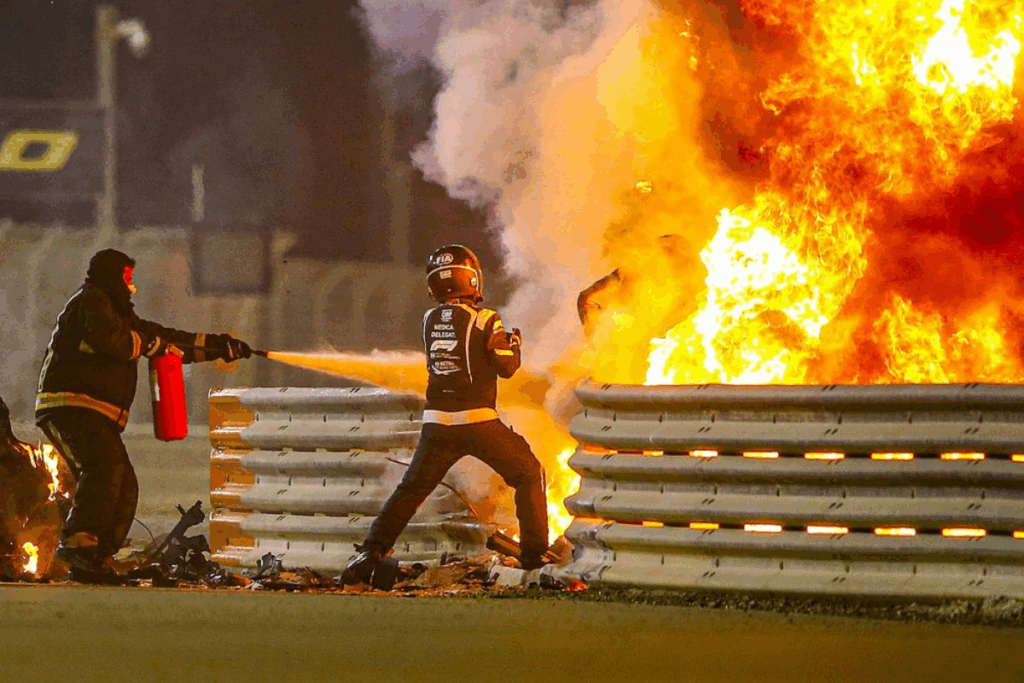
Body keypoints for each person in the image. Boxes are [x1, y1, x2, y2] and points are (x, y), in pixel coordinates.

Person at [35, 249, 253, 583]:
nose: (131, 285)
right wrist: (151, 344)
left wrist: (218, 346)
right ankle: (79, 545)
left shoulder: (117, 312)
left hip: (92, 412)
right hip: (70, 406)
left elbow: (167, 340)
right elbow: (116, 343)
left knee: (123, 483)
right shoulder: (91, 301)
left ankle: (96, 556)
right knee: (104, 468)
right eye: (126, 277)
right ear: (110, 276)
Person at [343, 245, 549, 584]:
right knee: (529, 473)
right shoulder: (486, 318)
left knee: (410, 490)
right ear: (470, 278)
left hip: (436, 423)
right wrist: (514, 344)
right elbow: (506, 367)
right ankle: (534, 556)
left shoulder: (428, 320)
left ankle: (372, 551)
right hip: (478, 421)